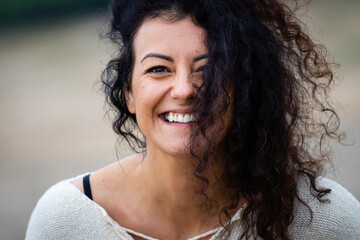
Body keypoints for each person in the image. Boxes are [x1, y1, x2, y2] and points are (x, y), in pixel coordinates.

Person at [26, 0, 360, 239]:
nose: (185, 90)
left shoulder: (324, 219)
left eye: (209, 69)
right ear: (128, 92)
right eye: (159, 69)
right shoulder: (63, 221)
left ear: (243, 87)